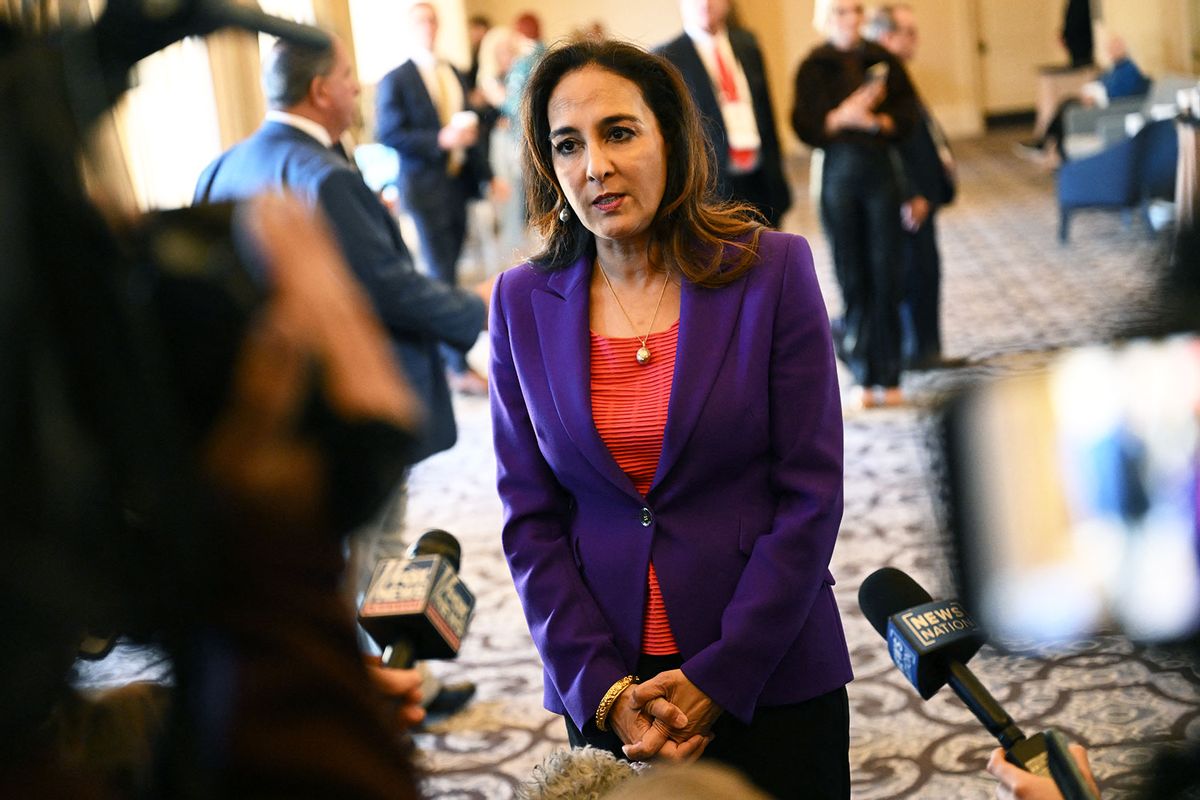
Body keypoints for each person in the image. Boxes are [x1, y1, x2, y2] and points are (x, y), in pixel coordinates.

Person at [490, 39, 851, 799]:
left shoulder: (771, 271)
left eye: (619, 132)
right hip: (611, 694)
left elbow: (811, 495)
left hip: (769, 671)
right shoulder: (521, 303)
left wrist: (720, 676)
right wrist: (603, 689)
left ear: (672, 139)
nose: (595, 166)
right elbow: (530, 521)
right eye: (568, 145)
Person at [193, 34, 485, 710]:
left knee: (317, 560)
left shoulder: (223, 167)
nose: (358, 90)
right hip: (349, 408)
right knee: (376, 546)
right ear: (321, 89)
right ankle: (389, 683)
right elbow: (386, 287)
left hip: (264, 416)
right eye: (350, 77)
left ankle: (348, 680)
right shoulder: (325, 174)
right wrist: (477, 307)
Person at [792, 0, 918, 408]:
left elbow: (908, 114)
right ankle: (864, 373)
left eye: (856, 11)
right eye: (842, 12)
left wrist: (875, 121)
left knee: (887, 271)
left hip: (881, 174)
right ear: (826, 18)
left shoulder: (881, 58)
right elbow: (805, 124)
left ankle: (891, 372)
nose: (851, 19)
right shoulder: (814, 64)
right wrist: (841, 117)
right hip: (839, 177)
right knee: (851, 273)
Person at [375, 1, 494, 397]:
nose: (427, 27)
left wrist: (486, 176)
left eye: (431, 20)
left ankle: (451, 360)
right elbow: (389, 133)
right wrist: (440, 139)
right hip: (424, 189)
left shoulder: (453, 71)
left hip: (457, 186)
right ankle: (456, 366)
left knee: (452, 269)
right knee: (440, 274)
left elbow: (467, 128)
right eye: (420, 22)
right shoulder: (396, 78)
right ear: (410, 30)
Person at [864, 4, 962, 372]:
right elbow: (889, 144)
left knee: (926, 270)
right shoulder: (881, 81)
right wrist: (909, 193)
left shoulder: (898, 75)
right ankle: (915, 352)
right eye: (909, 32)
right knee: (912, 272)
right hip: (909, 196)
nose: (915, 40)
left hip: (925, 191)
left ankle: (928, 349)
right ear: (887, 37)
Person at [656, 0, 792, 228]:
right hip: (713, 188)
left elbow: (766, 112)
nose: (705, 3)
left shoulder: (747, 44)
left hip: (760, 178)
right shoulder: (668, 57)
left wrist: (778, 176)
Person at [1018, 34, 1151, 161]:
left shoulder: (1128, 70)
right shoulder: (1115, 68)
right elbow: (1099, 82)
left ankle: (1048, 145)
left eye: (1114, 48)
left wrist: (1095, 98)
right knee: (1066, 104)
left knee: (1068, 108)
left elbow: (1119, 93)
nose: (1110, 52)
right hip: (1097, 103)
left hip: (1107, 109)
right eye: (1109, 48)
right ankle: (1051, 145)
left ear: (1122, 49)